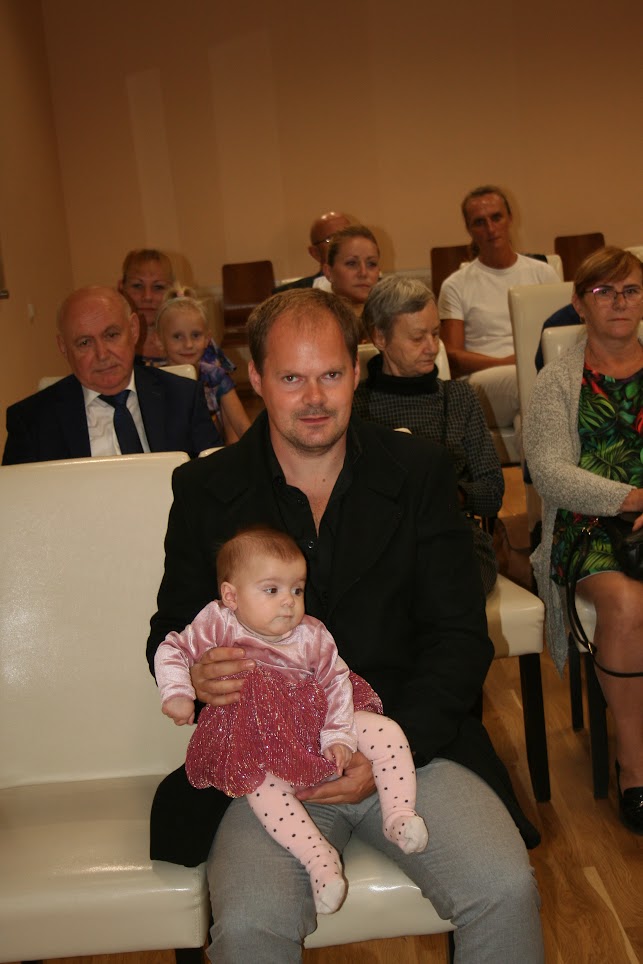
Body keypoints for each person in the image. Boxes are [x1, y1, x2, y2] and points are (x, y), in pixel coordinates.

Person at [146, 286, 543, 963]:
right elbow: (171, 629)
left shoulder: (419, 471)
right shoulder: (205, 490)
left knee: (504, 890)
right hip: (267, 759)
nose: (314, 398)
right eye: (291, 378)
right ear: (256, 378)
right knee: (250, 926)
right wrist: (197, 676)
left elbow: (458, 638)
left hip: (411, 740)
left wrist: (387, 749)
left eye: (330, 374)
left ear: (356, 372)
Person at [155, 525, 428, 914]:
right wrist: (179, 692)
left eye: (297, 590)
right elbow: (172, 648)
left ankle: (398, 814)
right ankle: (319, 860)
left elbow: (336, 682)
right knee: (261, 787)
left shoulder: (311, 634)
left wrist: (338, 735)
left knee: (387, 732)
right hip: (261, 738)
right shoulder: (218, 623)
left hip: (319, 720)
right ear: (231, 596)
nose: (289, 602)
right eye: (272, 590)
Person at [524, 246, 643, 834]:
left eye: (631, 290)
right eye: (604, 292)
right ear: (579, 303)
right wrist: (633, 499)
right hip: (587, 526)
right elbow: (549, 473)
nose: (619, 302)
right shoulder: (557, 381)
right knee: (626, 603)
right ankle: (635, 766)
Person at [354, 275, 503, 594]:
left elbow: (492, 491)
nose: (432, 348)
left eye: (435, 334)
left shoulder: (460, 398)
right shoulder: (355, 405)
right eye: (417, 338)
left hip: (454, 539)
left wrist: (452, 493)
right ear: (380, 337)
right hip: (379, 541)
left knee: (439, 586)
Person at [2, 286, 220, 465]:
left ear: (133, 330)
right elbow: (18, 500)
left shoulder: (183, 397)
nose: (102, 354)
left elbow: (216, 480)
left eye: (111, 335)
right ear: (63, 348)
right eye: (84, 343)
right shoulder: (31, 421)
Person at [438, 185, 560, 431]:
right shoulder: (456, 285)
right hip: (484, 381)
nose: (491, 229)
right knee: (529, 382)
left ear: (510, 218)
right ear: (469, 229)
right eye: (479, 222)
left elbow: (561, 333)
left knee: (526, 422)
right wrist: (506, 362)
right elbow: (452, 354)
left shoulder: (543, 273)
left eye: (496, 218)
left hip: (535, 374)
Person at [155, 293, 251, 444]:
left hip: (214, 454)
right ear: (159, 341)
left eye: (196, 335)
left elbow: (243, 428)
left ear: (207, 339)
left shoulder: (216, 377)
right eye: (177, 336)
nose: (188, 344)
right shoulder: (154, 382)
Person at [322, 225, 381, 336]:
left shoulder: (393, 320)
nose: (363, 273)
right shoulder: (316, 322)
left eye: (371, 264)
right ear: (328, 272)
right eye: (351, 263)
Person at [118, 248, 175, 363]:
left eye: (158, 287)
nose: (147, 297)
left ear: (172, 291)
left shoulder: (192, 340)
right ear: (121, 288)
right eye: (137, 286)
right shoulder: (108, 345)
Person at [273, 211, 351, 292]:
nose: (343, 243)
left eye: (347, 236)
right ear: (315, 253)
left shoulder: (360, 288)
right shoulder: (290, 293)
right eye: (331, 239)